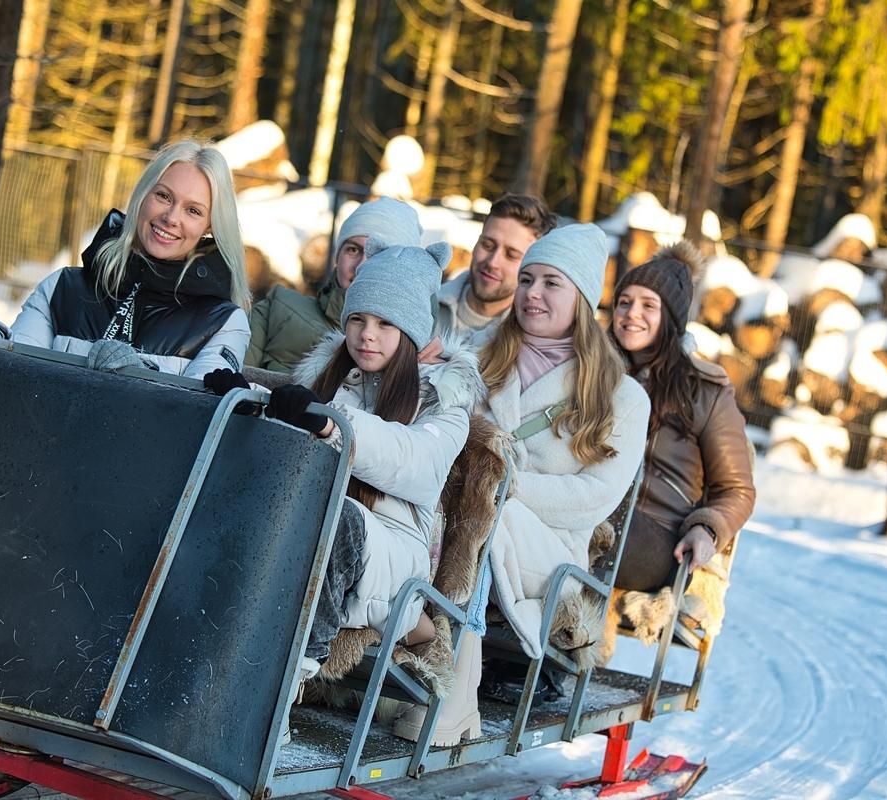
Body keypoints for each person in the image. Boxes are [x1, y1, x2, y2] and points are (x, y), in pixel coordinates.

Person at [393, 223, 650, 746]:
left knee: (487, 512)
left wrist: (506, 486)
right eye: (527, 279)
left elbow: (594, 497)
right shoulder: (481, 352)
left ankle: (456, 694)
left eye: (551, 283)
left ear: (580, 296)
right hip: (457, 517)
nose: (532, 293)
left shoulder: (621, 397)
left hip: (550, 549)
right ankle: (395, 672)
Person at [265, 239, 482, 681]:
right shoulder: (333, 377)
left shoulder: (445, 396)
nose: (367, 334)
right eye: (358, 319)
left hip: (396, 554)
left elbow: (418, 464)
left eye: (386, 323)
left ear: (412, 330)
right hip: (315, 527)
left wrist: (330, 424)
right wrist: (248, 397)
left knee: (338, 517)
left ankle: (292, 680)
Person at [0, 140, 251, 378]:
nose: (171, 217)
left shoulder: (223, 323)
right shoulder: (63, 288)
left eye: (193, 210)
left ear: (210, 225)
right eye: (163, 196)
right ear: (142, 196)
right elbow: (20, 369)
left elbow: (200, 413)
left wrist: (142, 377)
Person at [608, 242, 755, 593]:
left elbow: (736, 489)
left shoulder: (705, 391)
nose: (631, 314)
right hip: (590, 510)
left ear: (671, 318)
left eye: (648, 305)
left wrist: (706, 529)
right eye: (624, 302)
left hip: (658, 537)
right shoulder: (593, 370)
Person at [244, 198, 423, 373]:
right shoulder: (278, 308)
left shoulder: (419, 349)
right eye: (353, 250)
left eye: (378, 254)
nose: (361, 266)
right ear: (337, 257)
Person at [432, 193, 558, 347]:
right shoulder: (425, 305)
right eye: (488, 245)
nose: (493, 262)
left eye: (511, 255)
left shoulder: (534, 343)